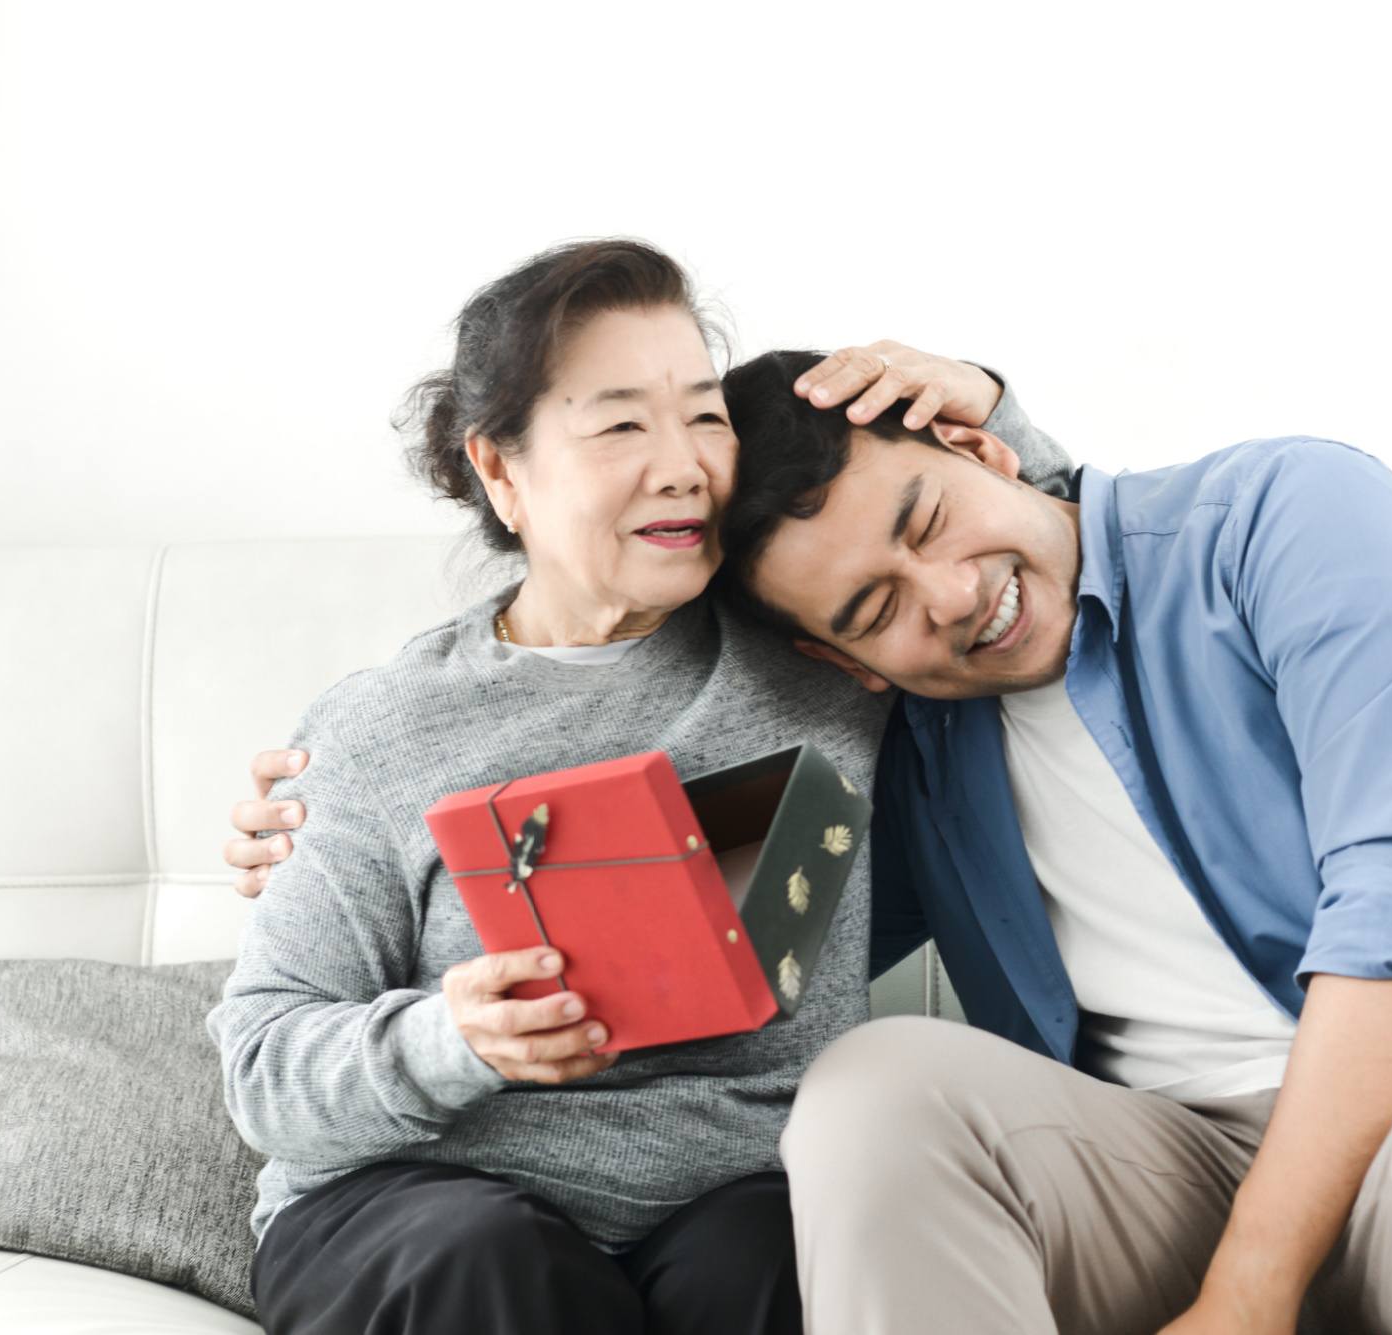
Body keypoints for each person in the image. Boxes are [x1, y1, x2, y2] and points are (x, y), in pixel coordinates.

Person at [697, 347, 1392, 1335]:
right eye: (872, 609)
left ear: (985, 448)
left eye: (926, 521)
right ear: (842, 661)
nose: (949, 596)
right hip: (1172, 1177)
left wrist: (1247, 1293)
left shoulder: (1284, 516)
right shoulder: (902, 751)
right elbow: (728, 974)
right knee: (871, 1090)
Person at [207, 239, 1074, 1335]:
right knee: (489, 1264)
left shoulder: (829, 653)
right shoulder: (380, 729)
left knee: (779, 1261)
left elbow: (1033, 564)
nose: (682, 466)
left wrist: (992, 399)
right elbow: (263, 1071)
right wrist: (454, 1038)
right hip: (425, 1212)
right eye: (620, 423)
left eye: (704, 415)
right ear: (501, 471)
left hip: (730, 1196)